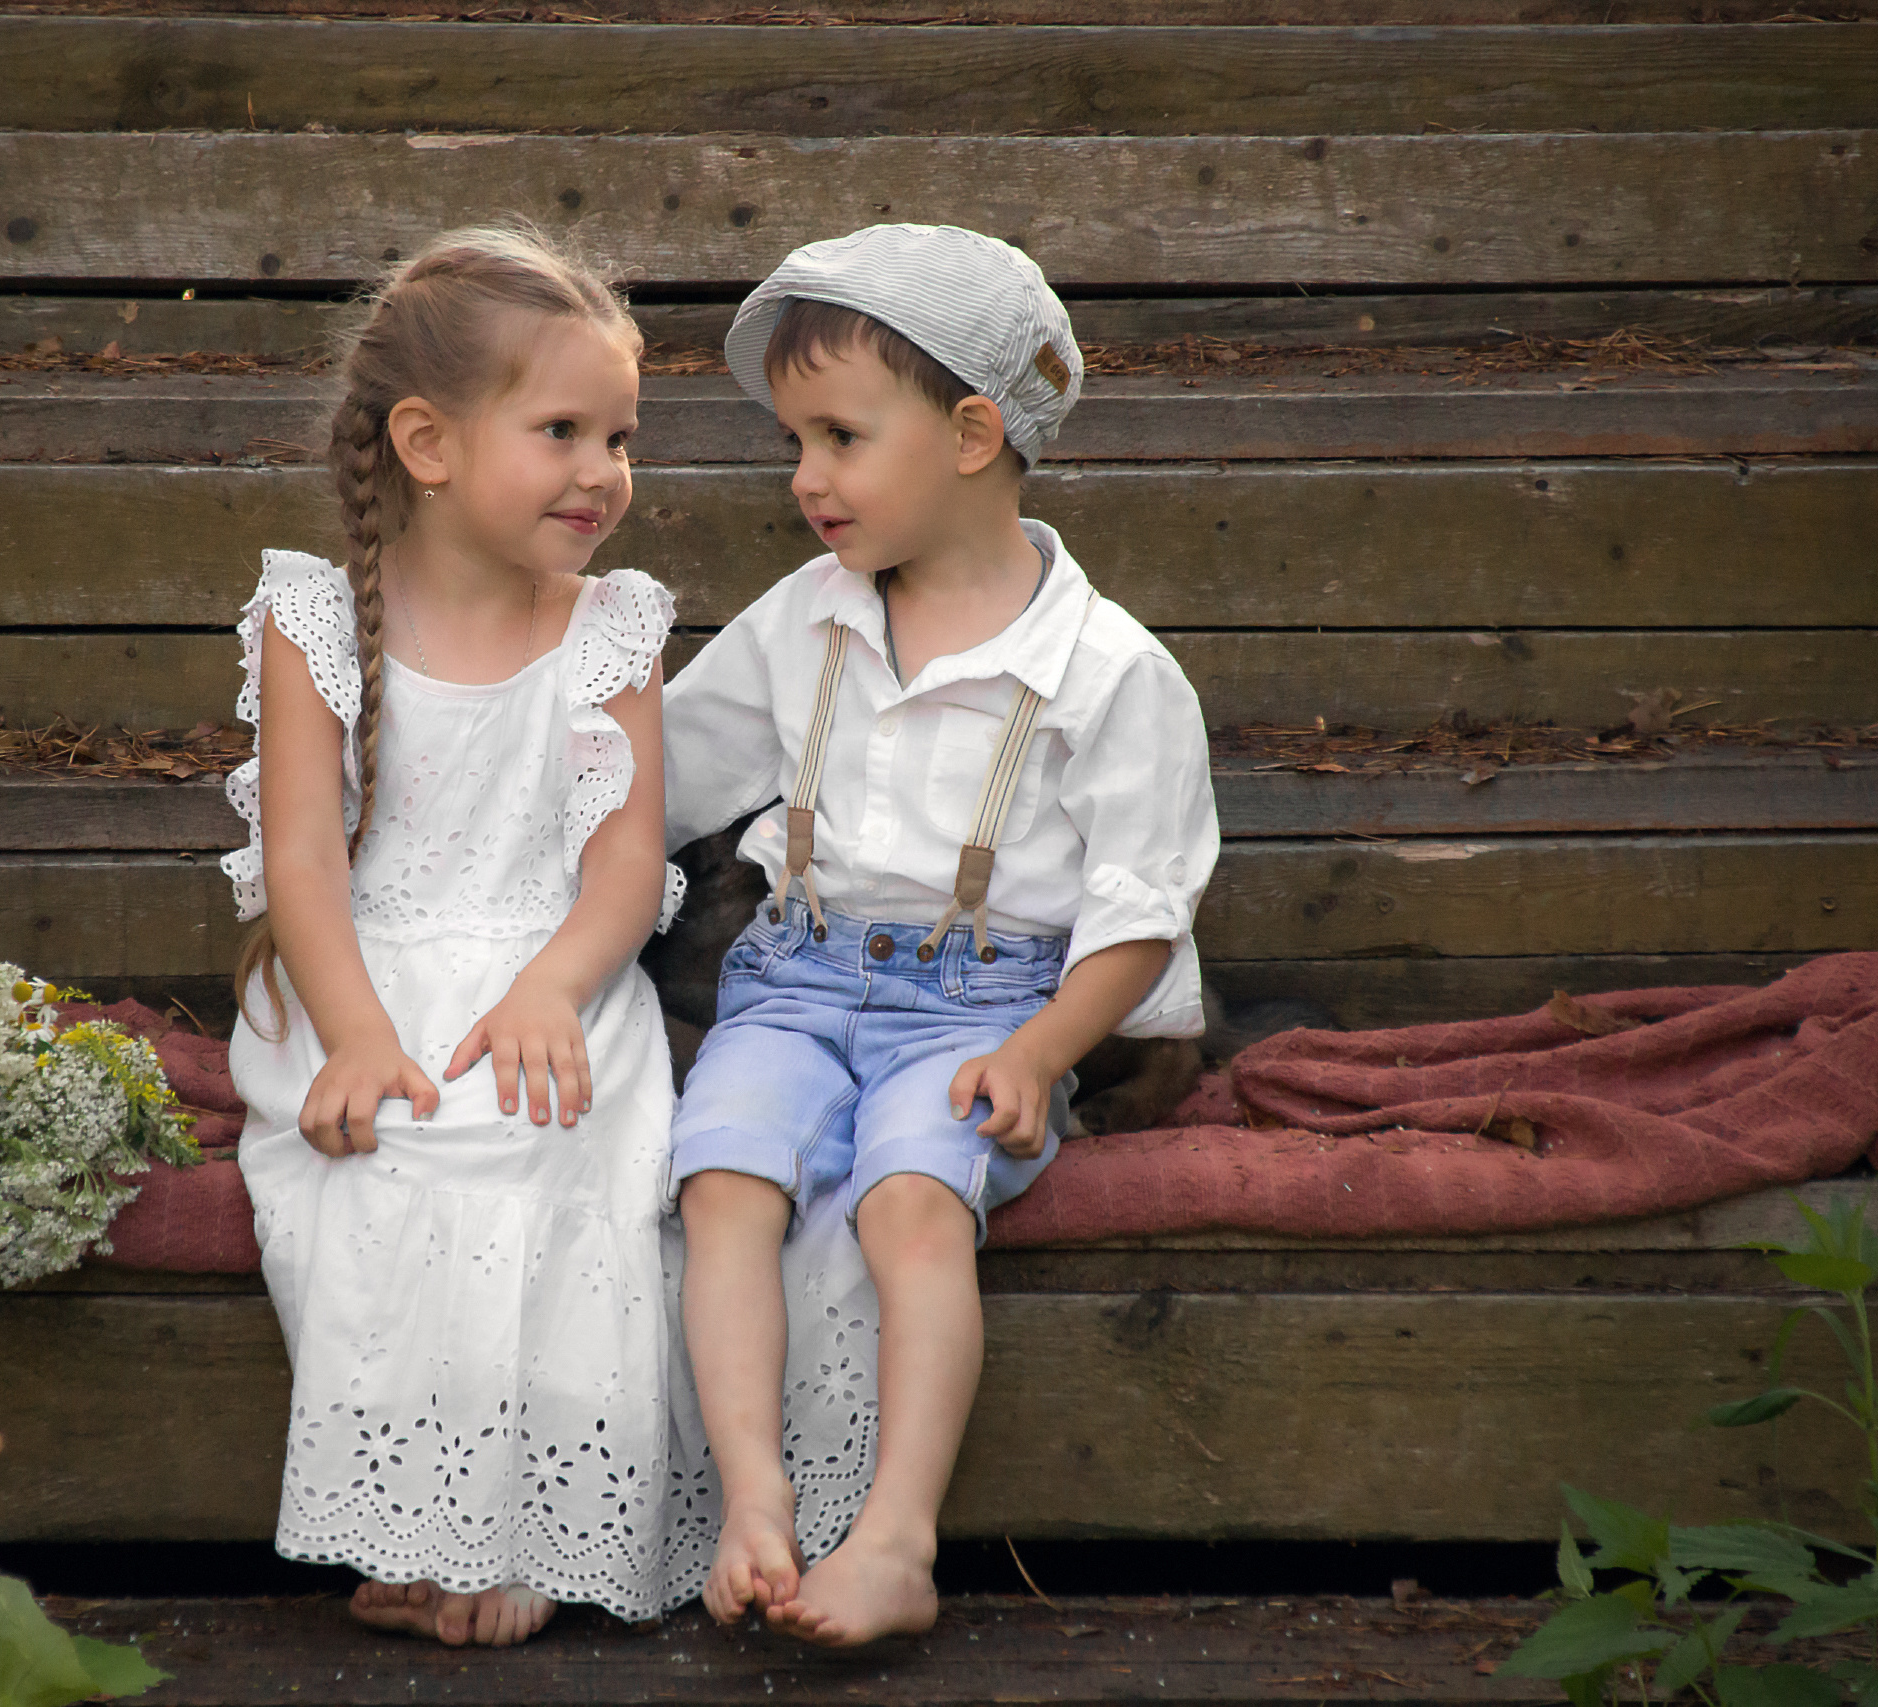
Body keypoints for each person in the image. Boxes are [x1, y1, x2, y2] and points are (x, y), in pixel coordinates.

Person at [660, 224, 1220, 1646]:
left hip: (990, 1012)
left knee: (915, 1202)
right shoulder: (809, 624)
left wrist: (1045, 1053)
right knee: (723, 1180)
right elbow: (657, 776)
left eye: (840, 435)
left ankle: (898, 1540)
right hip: (792, 985)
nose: (805, 477)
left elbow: (1140, 911)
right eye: (794, 439)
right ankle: (753, 1503)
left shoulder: (1107, 673)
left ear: (975, 432)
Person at [221, 225, 706, 1647]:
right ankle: (420, 1523)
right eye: (560, 429)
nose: (601, 472)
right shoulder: (314, 622)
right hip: (357, 975)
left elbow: (625, 866)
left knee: (556, 1136)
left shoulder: (613, 627)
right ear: (426, 442)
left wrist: (557, 987)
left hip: (553, 973)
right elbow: (301, 855)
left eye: (618, 435)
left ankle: (530, 1533)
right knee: (386, 1155)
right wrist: (358, 1033)